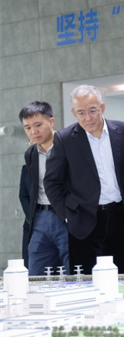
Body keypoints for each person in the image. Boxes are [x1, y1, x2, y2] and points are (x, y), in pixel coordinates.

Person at [45, 85, 124, 274]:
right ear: (74, 113)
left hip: (121, 216)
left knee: (121, 274)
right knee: (86, 277)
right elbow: (52, 182)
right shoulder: (64, 139)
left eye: (92, 110)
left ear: (102, 107)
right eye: (81, 112)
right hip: (83, 219)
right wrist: (67, 215)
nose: (88, 117)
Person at [19, 102, 70, 275]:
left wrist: (71, 214)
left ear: (51, 121)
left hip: (65, 216)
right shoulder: (30, 153)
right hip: (40, 218)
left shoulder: (69, 146)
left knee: (71, 271)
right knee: (36, 274)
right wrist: (32, 216)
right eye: (28, 128)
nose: (33, 131)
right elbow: (29, 190)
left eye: (38, 125)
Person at [19, 163, 32, 267]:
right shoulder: (26, 168)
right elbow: (23, 195)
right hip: (30, 222)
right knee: (28, 263)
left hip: (56, 220)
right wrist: (31, 216)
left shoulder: (57, 164)